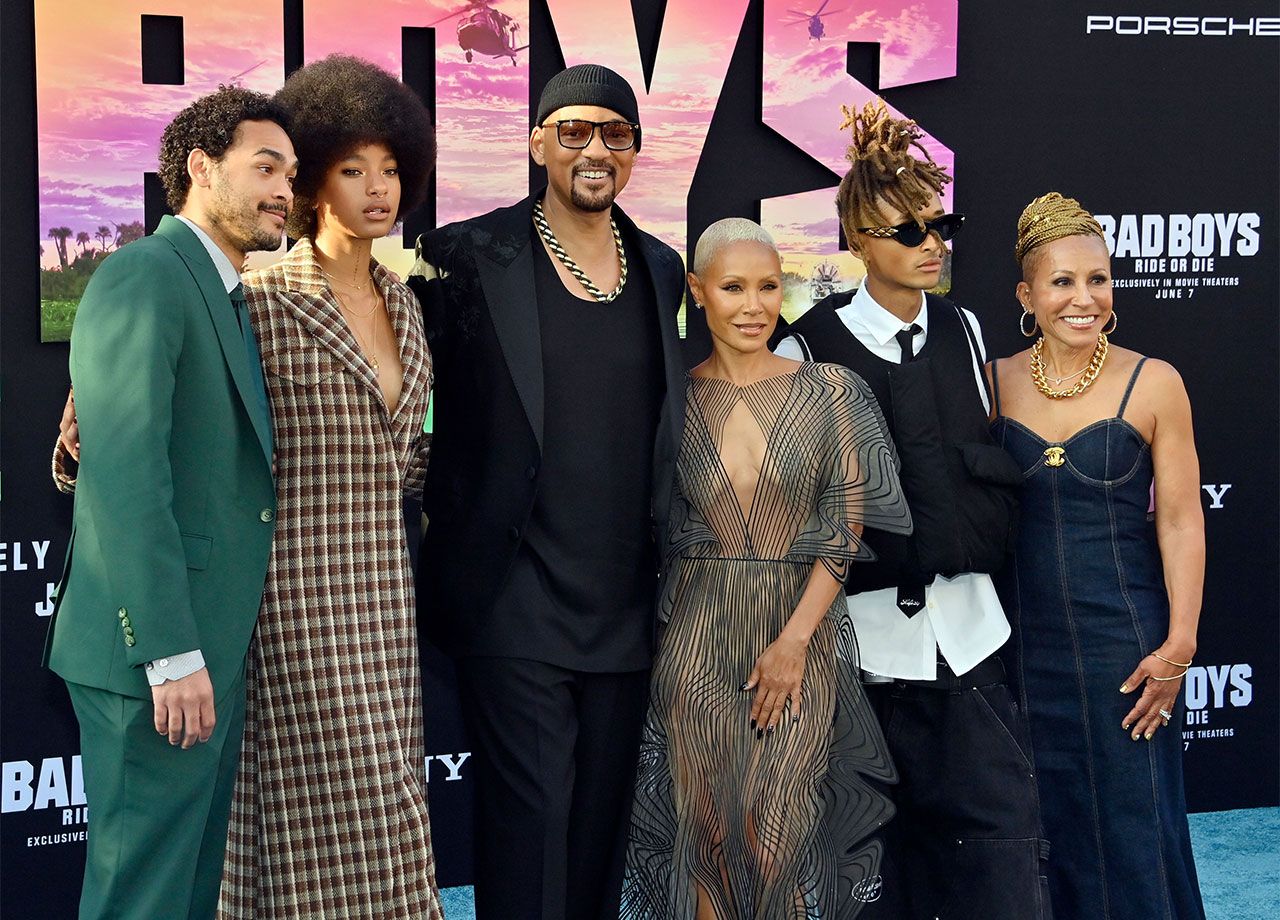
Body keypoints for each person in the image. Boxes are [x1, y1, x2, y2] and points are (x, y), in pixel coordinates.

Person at [406, 64, 687, 920]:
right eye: (573, 131)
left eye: (614, 133)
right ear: (538, 143)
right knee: (530, 829)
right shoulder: (466, 255)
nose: (595, 148)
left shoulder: (662, 268)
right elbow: (369, 331)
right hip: (512, 596)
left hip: (625, 605)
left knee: (599, 838)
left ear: (634, 151)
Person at [772, 100, 1050, 919]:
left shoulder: (967, 330)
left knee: (1002, 872)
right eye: (908, 231)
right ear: (857, 243)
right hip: (863, 665)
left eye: (940, 224)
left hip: (974, 650)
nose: (932, 244)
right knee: (872, 885)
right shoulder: (806, 348)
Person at [44, 87, 294, 919]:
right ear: (199, 168)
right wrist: (170, 654)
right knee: (141, 897)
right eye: (265, 167)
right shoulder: (146, 274)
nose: (283, 189)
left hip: (203, 650)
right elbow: (126, 478)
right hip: (155, 657)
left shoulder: (219, 288)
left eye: (291, 173)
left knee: (184, 895)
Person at [621, 219, 912, 919]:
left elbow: (845, 527)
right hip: (696, 631)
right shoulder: (674, 399)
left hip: (799, 633)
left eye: (767, 286)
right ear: (698, 293)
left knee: (776, 840)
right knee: (709, 837)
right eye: (733, 287)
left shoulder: (830, 390)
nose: (754, 306)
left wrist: (794, 641)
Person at [216, 55, 441, 919]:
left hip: (384, 593)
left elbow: (412, 456)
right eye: (353, 169)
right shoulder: (262, 294)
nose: (376, 189)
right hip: (289, 591)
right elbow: (160, 400)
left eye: (390, 169)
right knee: (320, 808)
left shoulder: (406, 301)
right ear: (312, 181)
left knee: (390, 805)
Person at [989, 192, 1206, 919]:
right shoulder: (993, 381)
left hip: (1127, 646)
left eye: (1098, 279)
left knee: (1135, 824)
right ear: (1027, 294)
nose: (1084, 299)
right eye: (1061, 282)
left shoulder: (1156, 381)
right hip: (1022, 648)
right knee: (1042, 827)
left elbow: (1179, 522)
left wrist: (1179, 645)